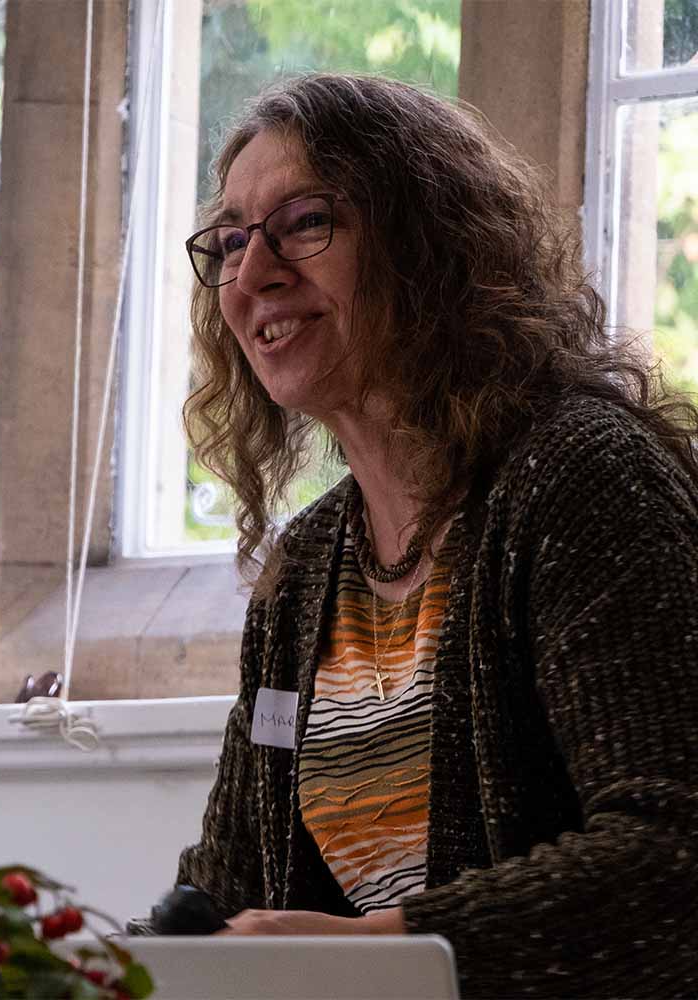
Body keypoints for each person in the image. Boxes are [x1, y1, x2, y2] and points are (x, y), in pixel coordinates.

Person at [157, 74, 698, 998]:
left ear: (428, 244)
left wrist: (394, 947)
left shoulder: (581, 479)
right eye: (234, 241)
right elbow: (225, 893)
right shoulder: (305, 571)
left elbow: (676, 849)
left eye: (305, 222)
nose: (252, 276)